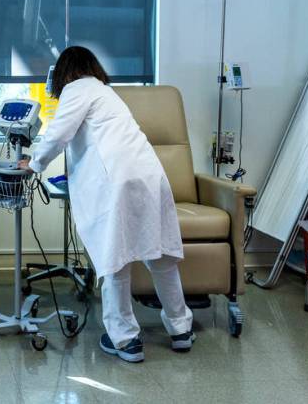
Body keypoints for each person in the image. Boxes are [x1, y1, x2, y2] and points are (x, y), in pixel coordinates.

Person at [19, 46, 193, 363]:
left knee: (115, 259)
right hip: (151, 176)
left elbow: (58, 134)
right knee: (162, 257)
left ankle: (125, 339)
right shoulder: (105, 92)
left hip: (120, 182)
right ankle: (181, 330)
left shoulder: (77, 88)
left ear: (64, 72)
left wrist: (33, 163)